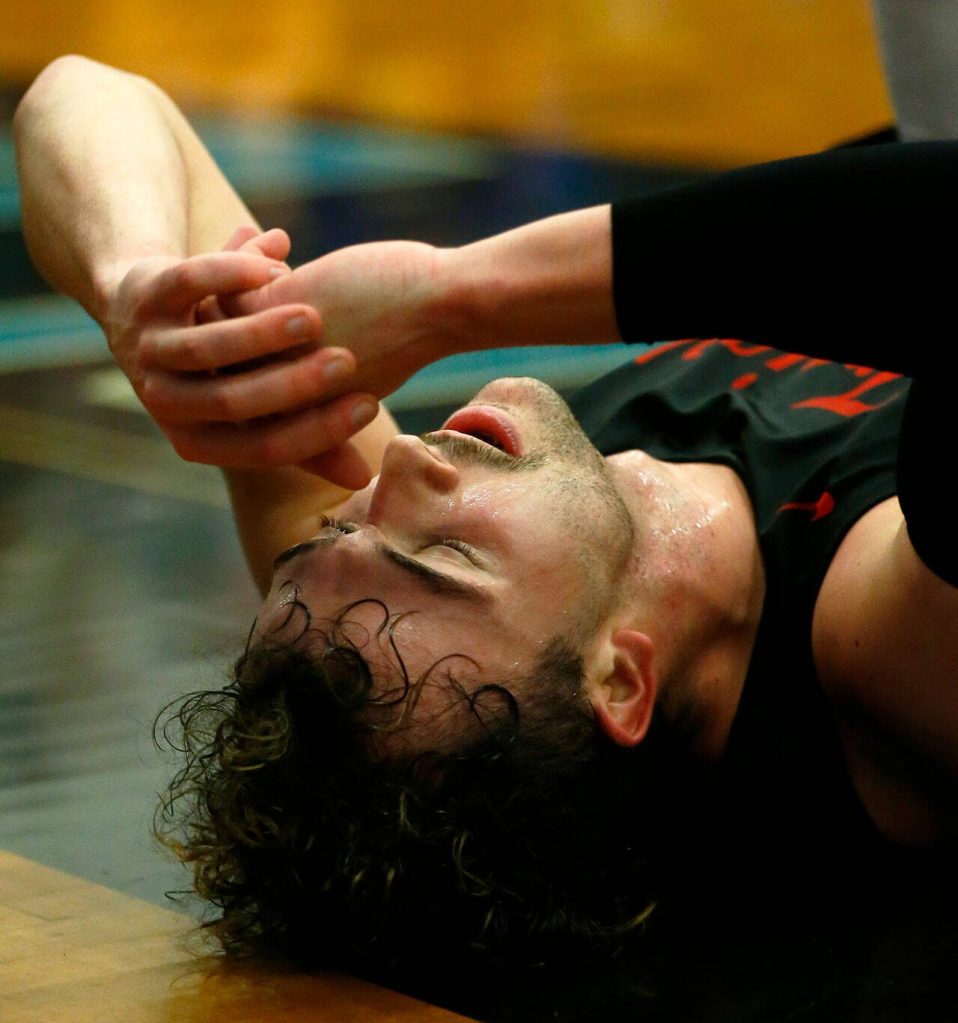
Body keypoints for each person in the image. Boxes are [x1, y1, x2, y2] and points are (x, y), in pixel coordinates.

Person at [14, 56, 957, 972]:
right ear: (620, 679)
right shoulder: (900, 658)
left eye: (338, 529)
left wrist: (137, 288)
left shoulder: (397, 624)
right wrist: (460, 294)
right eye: (449, 553)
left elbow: (83, 96)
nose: (402, 463)